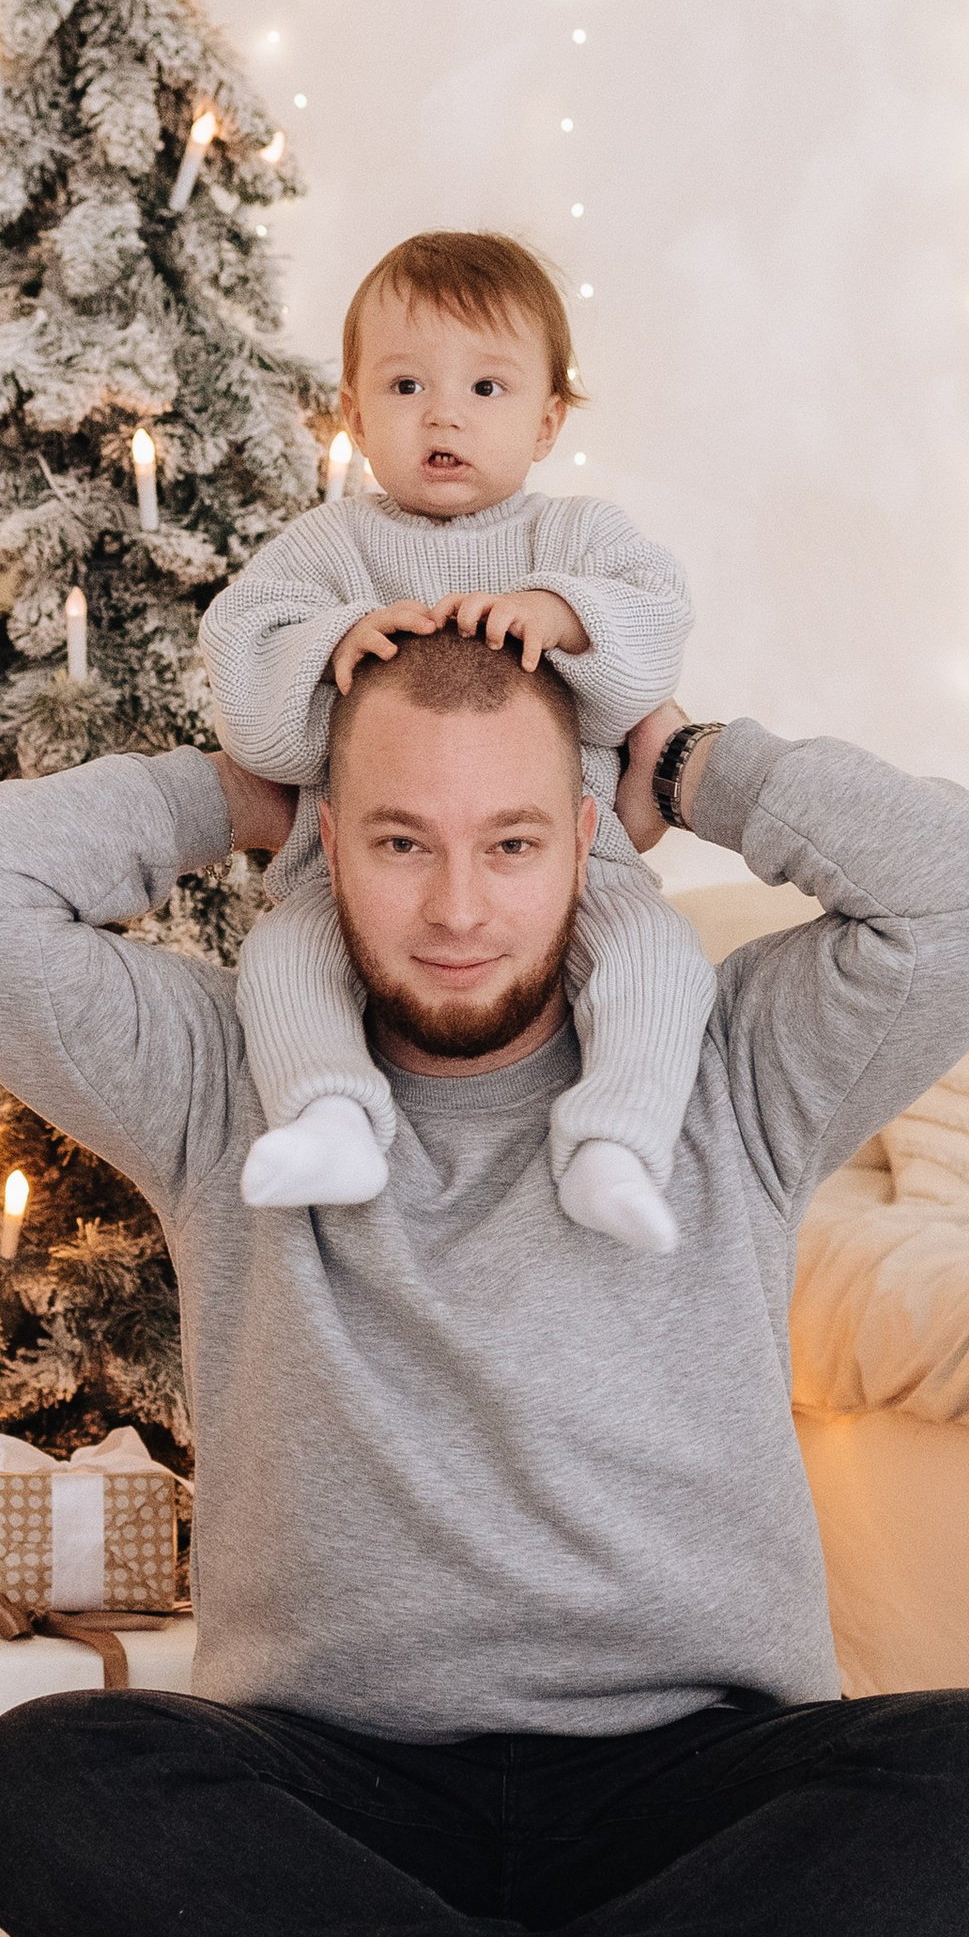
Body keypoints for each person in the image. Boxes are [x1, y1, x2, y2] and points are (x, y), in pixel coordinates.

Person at [0, 625, 969, 1937]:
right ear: (328, 844)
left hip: (694, 1784)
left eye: (512, 842)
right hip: (344, 1791)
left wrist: (692, 760)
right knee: (36, 1787)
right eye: (399, 840)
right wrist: (233, 786)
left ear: (584, 841)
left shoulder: (732, 1065)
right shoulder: (224, 1079)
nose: (457, 908)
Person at [200, 228, 716, 1256]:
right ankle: (332, 1116)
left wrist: (565, 616)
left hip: (573, 857)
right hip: (353, 869)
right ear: (351, 413)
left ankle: (616, 1140)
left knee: (658, 957)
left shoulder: (574, 540)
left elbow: (656, 627)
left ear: (545, 422)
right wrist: (327, 643)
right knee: (284, 957)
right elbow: (245, 693)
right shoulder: (328, 548)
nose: (442, 413)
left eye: (486, 388)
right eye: (403, 387)